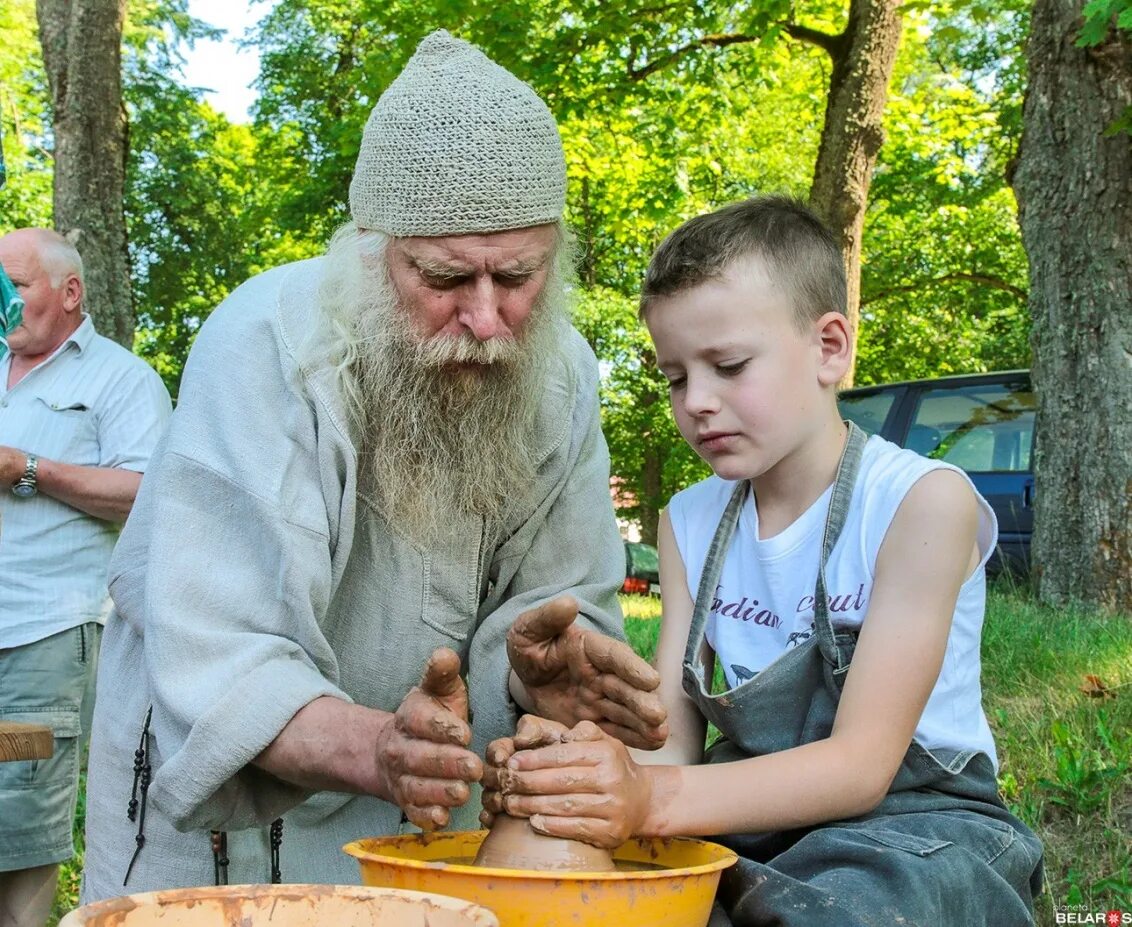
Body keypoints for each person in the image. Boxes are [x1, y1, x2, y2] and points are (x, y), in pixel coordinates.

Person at [80, 30, 666, 901]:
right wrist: (377, 747)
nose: (488, 319)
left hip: (431, 816)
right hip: (229, 827)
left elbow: (557, 600)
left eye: (517, 275)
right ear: (372, 249)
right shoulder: (266, 347)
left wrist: (542, 672)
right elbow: (223, 648)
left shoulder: (563, 375)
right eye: (444, 276)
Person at [481, 196, 1045, 926]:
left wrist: (646, 800)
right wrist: (567, 775)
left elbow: (862, 766)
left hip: (921, 828)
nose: (699, 403)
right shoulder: (690, 520)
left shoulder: (920, 502)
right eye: (677, 378)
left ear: (829, 347)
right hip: (753, 818)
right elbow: (675, 747)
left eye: (729, 365)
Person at [0, 228, 172, 927]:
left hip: (42, 642)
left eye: (16, 284)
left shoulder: (121, 378)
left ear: (69, 293)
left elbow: (149, 492)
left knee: (18, 825)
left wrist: (29, 469)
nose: (3, 301)